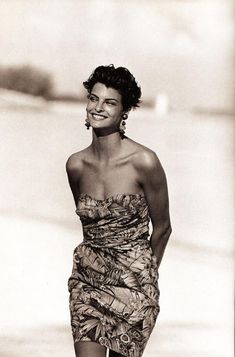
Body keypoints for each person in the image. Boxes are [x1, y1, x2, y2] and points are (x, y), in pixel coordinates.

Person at [66, 64, 172, 357]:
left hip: (134, 288)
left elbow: (163, 227)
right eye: (93, 98)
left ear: (124, 111)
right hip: (88, 282)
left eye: (110, 102)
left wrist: (144, 278)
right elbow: (92, 226)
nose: (98, 108)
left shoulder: (145, 161)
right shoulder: (75, 165)